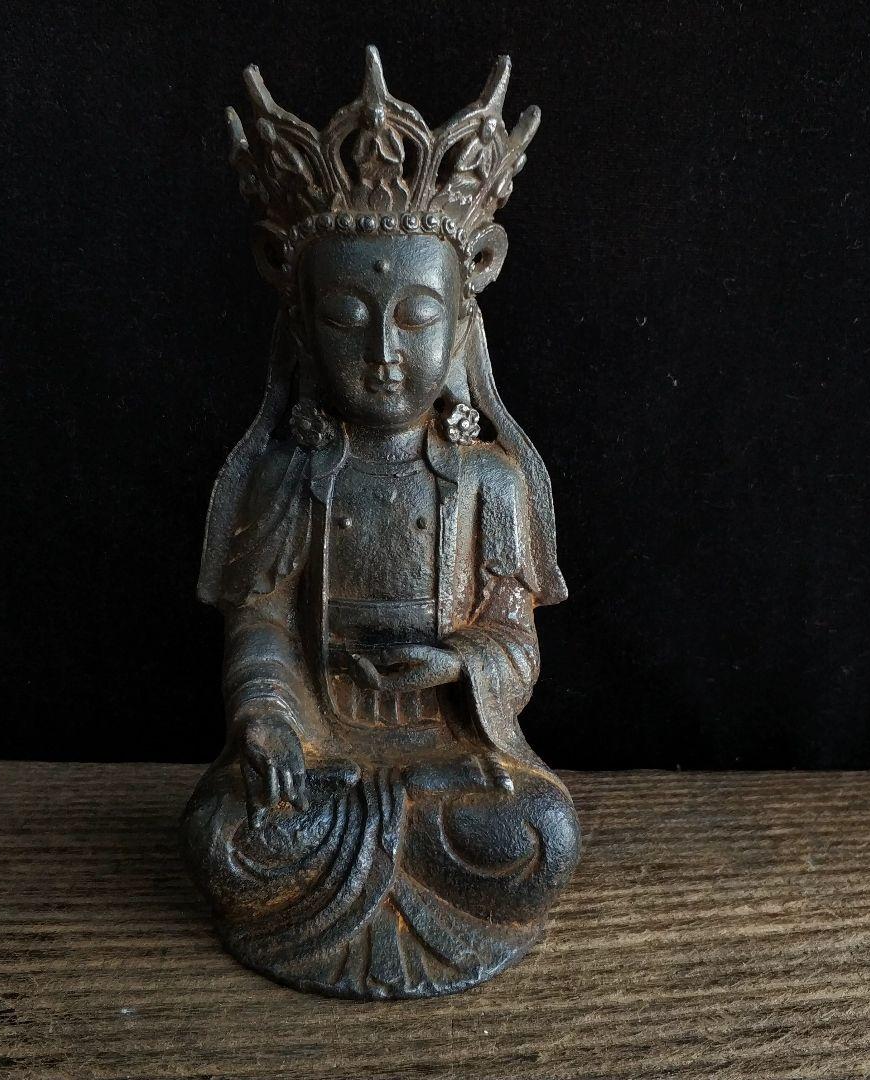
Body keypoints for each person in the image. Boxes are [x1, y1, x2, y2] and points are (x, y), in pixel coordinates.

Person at [183, 47, 580, 999]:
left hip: (448, 758)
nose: (382, 350)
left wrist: (456, 665)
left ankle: (373, 890)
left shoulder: (487, 483)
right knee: (221, 833)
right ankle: (357, 881)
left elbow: (514, 637)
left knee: (542, 835)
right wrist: (268, 724)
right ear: (304, 325)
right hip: (320, 759)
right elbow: (263, 628)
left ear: (463, 316)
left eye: (414, 316)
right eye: (347, 316)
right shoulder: (289, 474)